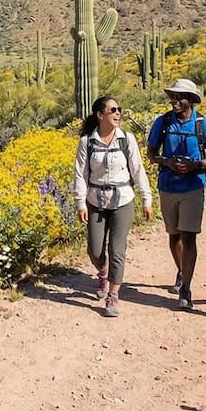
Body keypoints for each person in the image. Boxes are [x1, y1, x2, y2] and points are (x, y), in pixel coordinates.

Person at [73, 95, 153, 318]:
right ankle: (103, 271)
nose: (118, 113)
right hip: (95, 199)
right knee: (95, 250)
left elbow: (137, 170)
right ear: (100, 115)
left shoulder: (126, 139)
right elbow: (80, 175)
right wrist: (81, 203)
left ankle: (113, 295)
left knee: (117, 249)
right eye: (113, 110)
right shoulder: (86, 142)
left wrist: (147, 199)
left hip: (122, 199)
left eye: (119, 109)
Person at [146, 78, 206, 310]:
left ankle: (186, 288)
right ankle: (181, 270)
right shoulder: (163, 122)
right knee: (174, 235)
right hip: (168, 185)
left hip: (193, 186)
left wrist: (197, 165)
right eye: (173, 97)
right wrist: (166, 161)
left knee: (189, 237)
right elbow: (151, 153)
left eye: (180, 97)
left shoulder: (203, 125)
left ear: (191, 100)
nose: (175, 101)